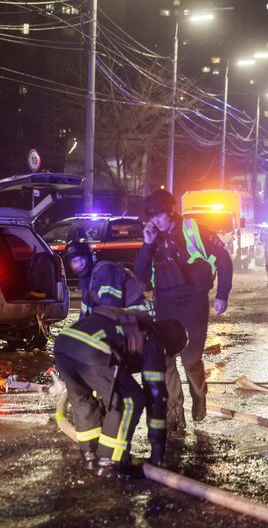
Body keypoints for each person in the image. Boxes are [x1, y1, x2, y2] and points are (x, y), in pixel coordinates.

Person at [54, 261, 186, 475]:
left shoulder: (137, 324)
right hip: (92, 347)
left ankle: (90, 456)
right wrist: (158, 452)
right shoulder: (152, 340)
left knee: (84, 401)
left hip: (64, 344)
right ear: (170, 342)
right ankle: (109, 462)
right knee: (130, 400)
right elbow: (155, 398)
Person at [134, 188, 233, 432]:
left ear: (171, 211)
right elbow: (140, 274)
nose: (154, 221)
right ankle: (175, 411)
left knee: (191, 360)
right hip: (165, 303)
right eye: (151, 217)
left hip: (193, 302)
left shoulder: (193, 228)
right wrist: (147, 245)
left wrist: (222, 295)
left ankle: (199, 395)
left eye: (158, 215)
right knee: (166, 360)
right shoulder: (152, 237)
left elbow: (223, 259)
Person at [63, 239, 95, 319]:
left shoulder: (100, 274)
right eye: (75, 261)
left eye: (81, 259)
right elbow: (85, 310)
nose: (79, 264)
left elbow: (109, 309)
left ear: (88, 258)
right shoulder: (83, 280)